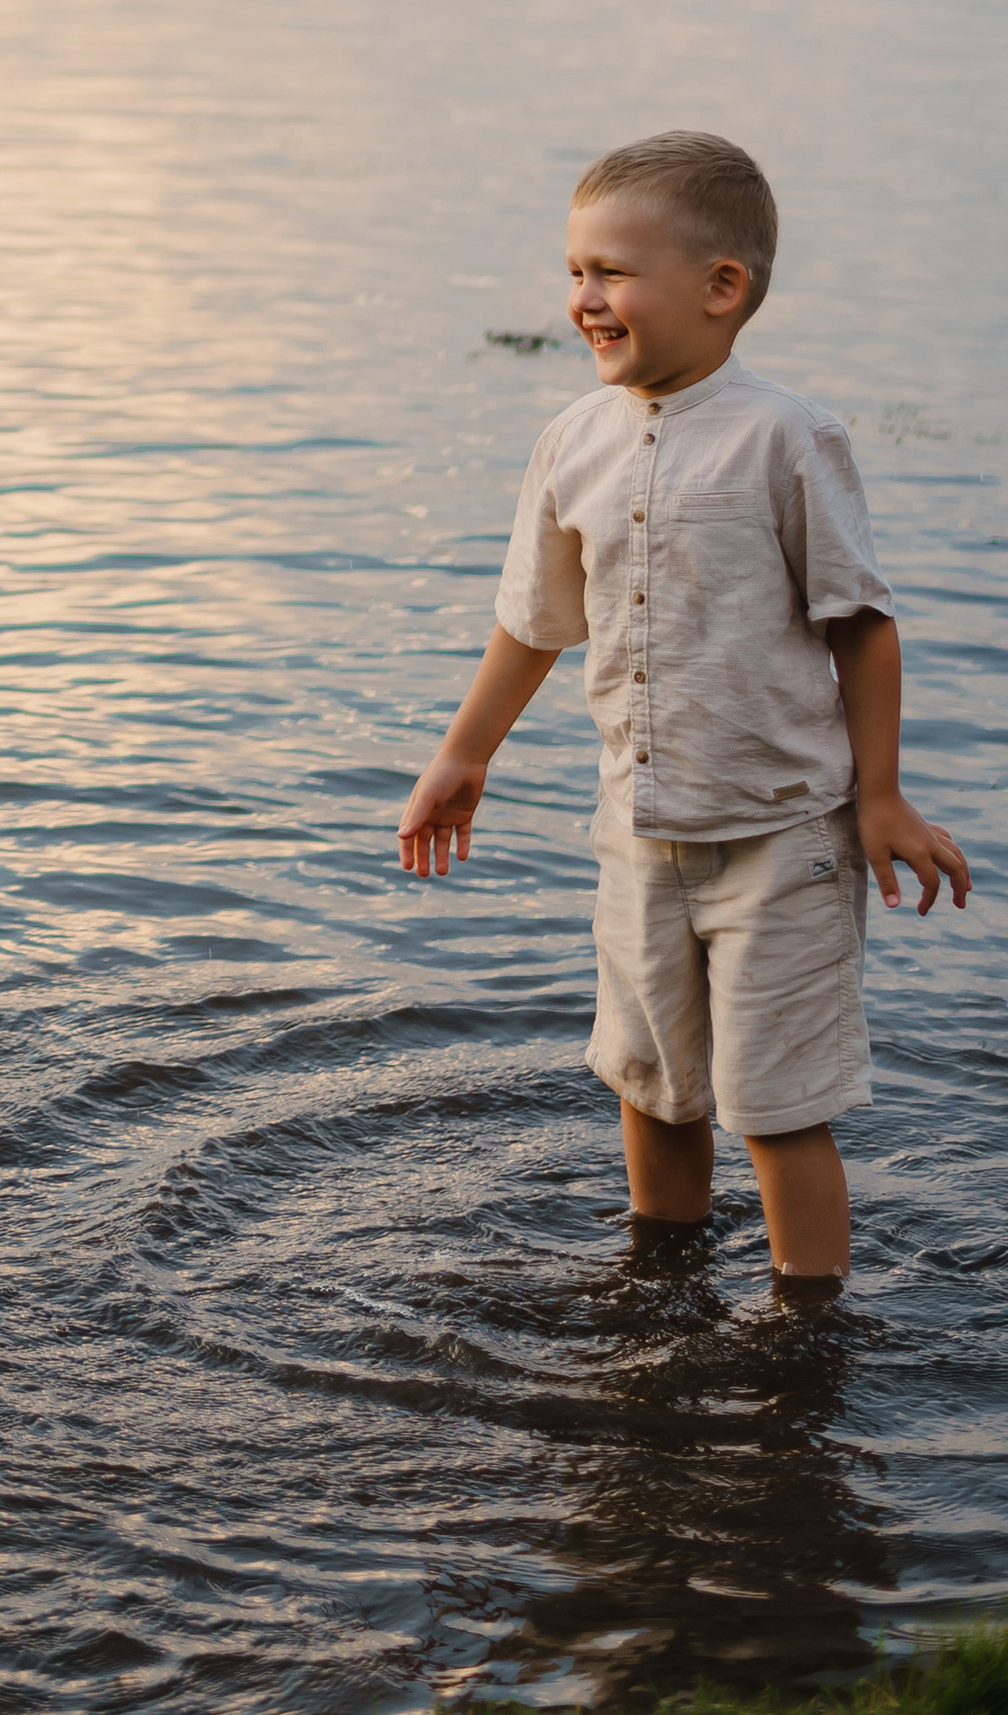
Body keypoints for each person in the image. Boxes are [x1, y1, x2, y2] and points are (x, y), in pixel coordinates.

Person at [397, 129, 969, 1290]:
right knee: (650, 1083)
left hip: (783, 837)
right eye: (572, 273)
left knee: (776, 1105)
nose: (582, 300)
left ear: (722, 290)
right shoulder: (572, 441)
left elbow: (858, 622)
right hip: (639, 832)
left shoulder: (785, 438)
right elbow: (535, 619)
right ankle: (659, 1289)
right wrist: (465, 755)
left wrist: (881, 796)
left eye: (610, 273)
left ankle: (808, 1334)